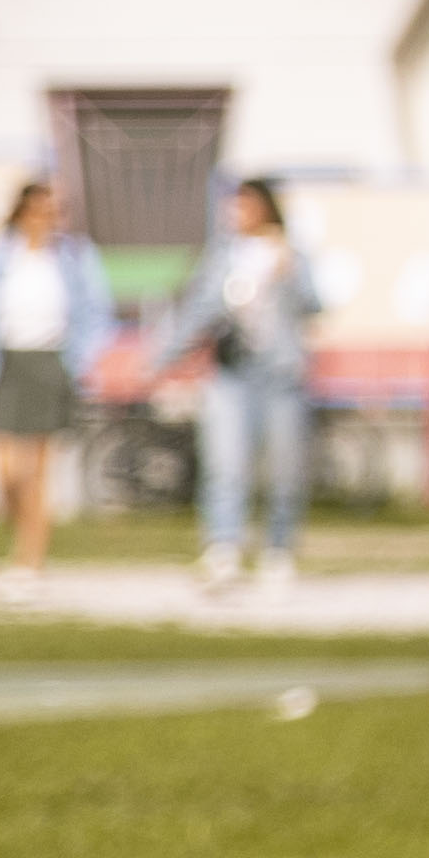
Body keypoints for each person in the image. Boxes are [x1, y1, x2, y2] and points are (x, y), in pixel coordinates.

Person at [0, 174, 115, 588]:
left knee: (36, 470)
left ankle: (29, 560)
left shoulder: (75, 258)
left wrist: (78, 362)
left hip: (50, 362)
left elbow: (97, 314)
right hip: (8, 364)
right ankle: (22, 536)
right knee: (4, 473)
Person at [167, 173, 322, 596]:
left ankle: (278, 549)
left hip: (281, 376)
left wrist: (288, 271)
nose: (238, 213)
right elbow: (199, 308)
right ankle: (224, 549)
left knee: (284, 470)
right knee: (225, 464)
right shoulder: (224, 256)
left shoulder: (288, 253)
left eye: (247, 205)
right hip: (232, 371)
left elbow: (315, 303)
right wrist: (163, 356)